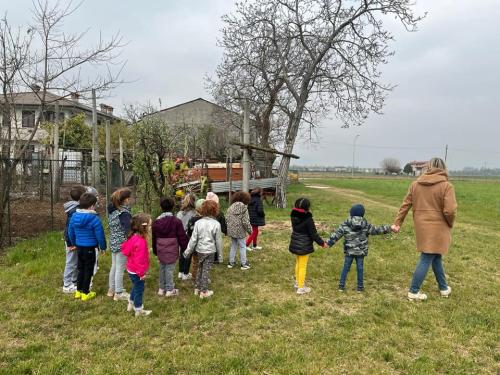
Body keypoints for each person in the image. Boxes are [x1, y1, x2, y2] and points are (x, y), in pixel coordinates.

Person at [392, 157, 457, 301]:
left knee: (436, 255)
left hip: (421, 226)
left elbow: (405, 205)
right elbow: (450, 211)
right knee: (427, 256)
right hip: (439, 227)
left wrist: (397, 222)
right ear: (443, 168)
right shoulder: (447, 186)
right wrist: (450, 223)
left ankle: (444, 288)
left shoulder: (415, 184)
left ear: (428, 167)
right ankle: (414, 291)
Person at [327, 204, 392, 292]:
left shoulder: (345, 224)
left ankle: (341, 286)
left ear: (351, 213)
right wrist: (390, 228)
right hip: (361, 252)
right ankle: (360, 288)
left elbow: (336, 235)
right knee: (360, 268)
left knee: (346, 267)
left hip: (349, 251)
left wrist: (327, 243)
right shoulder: (366, 225)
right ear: (362, 214)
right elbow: (377, 230)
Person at [68, 192, 107, 301]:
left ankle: (78, 291)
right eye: (95, 204)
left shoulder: (74, 216)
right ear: (91, 206)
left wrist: (74, 243)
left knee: (80, 269)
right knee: (88, 270)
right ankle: (86, 293)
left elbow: (70, 232)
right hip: (91, 248)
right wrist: (103, 247)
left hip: (79, 247)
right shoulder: (94, 218)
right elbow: (100, 235)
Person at [183, 200, 223, 299]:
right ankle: (204, 291)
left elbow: (193, 239)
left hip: (199, 250)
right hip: (210, 251)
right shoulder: (216, 224)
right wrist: (220, 256)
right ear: (215, 210)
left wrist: (187, 251)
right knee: (206, 270)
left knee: (200, 268)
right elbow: (218, 241)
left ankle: (197, 288)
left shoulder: (198, 223)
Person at [289, 197, 327, 295]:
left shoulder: (293, 215)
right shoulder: (308, 219)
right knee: (302, 267)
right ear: (307, 207)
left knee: (298, 263)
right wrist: (322, 243)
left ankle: (298, 283)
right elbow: (313, 234)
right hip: (304, 245)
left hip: (295, 242)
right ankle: (301, 288)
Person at [152, 197, 189, 297]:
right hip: (172, 249)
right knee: (169, 269)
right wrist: (185, 248)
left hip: (160, 249)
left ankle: (161, 288)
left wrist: (155, 251)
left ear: (161, 207)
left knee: (162, 267)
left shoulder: (156, 223)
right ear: (172, 207)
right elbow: (182, 237)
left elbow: (154, 238)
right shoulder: (176, 221)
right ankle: (169, 289)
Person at [122, 213, 152, 316]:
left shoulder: (133, 237)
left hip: (131, 269)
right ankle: (139, 310)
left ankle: (131, 303)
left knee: (135, 286)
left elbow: (127, 251)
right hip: (137, 271)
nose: (150, 227)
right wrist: (141, 274)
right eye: (149, 225)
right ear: (143, 227)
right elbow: (139, 260)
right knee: (139, 289)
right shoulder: (141, 242)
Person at [107, 188, 132, 301]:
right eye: (129, 198)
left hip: (113, 242)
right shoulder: (124, 213)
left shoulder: (113, 211)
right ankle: (119, 292)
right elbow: (128, 230)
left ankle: (111, 290)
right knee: (120, 268)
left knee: (114, 266)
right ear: (125, 200)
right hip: (122, 243)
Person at [62, 185, 87, 293]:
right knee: (71, 262)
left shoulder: (76, 208)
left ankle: (74, 280)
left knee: (76, 261)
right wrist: (70, 243)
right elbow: (69, 229)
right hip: (72, 241)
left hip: (77, 240)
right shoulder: (74, 210)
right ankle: (66, 285)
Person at [226, 191, 252, 270]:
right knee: (242, 246)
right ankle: (244, 264)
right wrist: (250, 231)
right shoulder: (244, 208)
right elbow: (245, 221)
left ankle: (231, 262)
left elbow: (227, 218)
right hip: (240, 231)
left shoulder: (230, 207)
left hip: (231, 230)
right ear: (245, 199)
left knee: (233, 245)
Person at [176, 194, 197, 280]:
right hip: (189, 236)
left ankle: (180, 272)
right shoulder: (194, 214)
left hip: (180, 236)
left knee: (182, 253)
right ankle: (185, 273)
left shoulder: (179, 213)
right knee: (188, 254)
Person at [205, 191, 227, 263]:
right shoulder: (219, 213)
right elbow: (223, 223)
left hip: (206, 231)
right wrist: (225, 231)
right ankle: (215, 258)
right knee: (216, 244)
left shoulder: (204, 213)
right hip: (216, 232)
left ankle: (208, 257)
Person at [186, 198, 205, 280]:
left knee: (195, 262)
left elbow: (189, 231)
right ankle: (203, 277)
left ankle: (194, 276)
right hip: (205, 245)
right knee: (204, 262)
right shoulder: (208, 220)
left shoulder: (192, 219)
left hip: (195, 244)